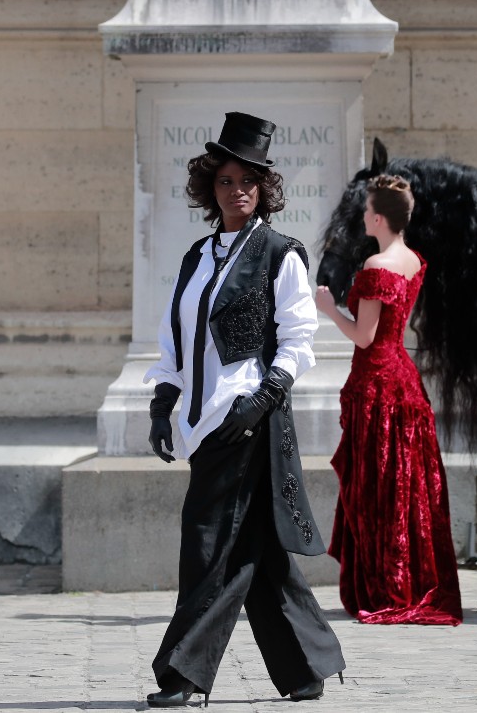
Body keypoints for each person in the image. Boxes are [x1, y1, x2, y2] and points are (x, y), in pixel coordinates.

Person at [143, 112, 346, 707]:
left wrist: (260, 401)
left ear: (264, 188)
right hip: (203, 421)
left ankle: (182, 672)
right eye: (226, 180)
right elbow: (176, 337)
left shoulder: (281, 254)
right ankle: (306, 667)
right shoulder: (196, 256)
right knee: (255, 545)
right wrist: (162, 402)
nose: (237, 190)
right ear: (210, 188)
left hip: (249, 421)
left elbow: (299, 341)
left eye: (248, 180)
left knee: (208, 541)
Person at [315, 173, 463, 626]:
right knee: (406, 486)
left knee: (378, 490)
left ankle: (386, 585)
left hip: (377, 386)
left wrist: (329, 310)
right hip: (405, 382)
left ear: (379, 218)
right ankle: (410, 581)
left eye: (366, 210)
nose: (363, 216)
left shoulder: (377, 265)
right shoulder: (414, 261)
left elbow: (364, 336)